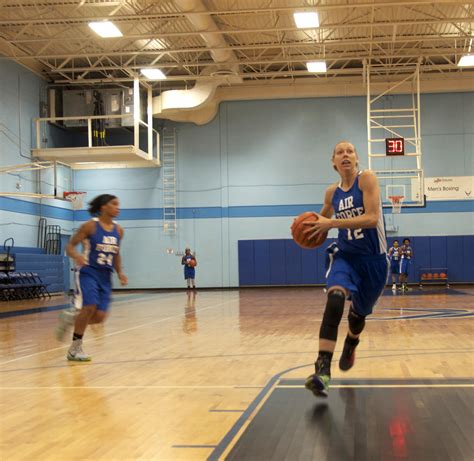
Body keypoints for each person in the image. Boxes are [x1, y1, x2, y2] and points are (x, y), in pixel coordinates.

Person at [303, 141, 389, 397]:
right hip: (345, 256)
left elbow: (372, 219)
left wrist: (331, 222)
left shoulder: (367, 180)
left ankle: (351, 343)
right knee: (336, 298)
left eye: (350, 151)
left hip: (374, 261)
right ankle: (322, 370)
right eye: (340, 152)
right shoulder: (331, 194)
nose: (345, 155)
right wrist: (307, 229)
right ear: (334, 162)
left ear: (357, 159)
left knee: (358, 317)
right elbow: (320, 223)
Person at [55, 194, 128, 361]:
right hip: (88, 271)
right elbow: (70, 246)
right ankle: (75, 349)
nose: (118, 207)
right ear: (103, 207)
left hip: (105, 275)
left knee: (99, 317)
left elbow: (116, 254)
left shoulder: (119, 230)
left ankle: (70, 318)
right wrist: (77, 256)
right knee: (89, 307)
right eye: (114, 204)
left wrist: (120, 272)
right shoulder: (90, 226)